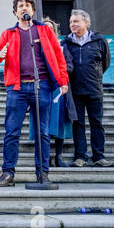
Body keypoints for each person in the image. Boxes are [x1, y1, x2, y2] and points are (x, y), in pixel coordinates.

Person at [0, 0, 69, 187]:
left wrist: (63, 80)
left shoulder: (44, 31)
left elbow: (58, 56)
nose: (24, 8)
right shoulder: (9, 33)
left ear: (32, 10)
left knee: (42, 131)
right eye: (20, 6)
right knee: (11, 131)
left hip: (41, 85)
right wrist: (0, 53)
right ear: (15, 12)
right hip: (16, 88)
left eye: (27, 6)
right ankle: (8, 173)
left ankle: (42, 173)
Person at [61, 9, 111, 167]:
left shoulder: (99, 40)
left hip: (94, 89)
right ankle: (80, 156)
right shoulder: (66, 42)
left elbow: (105, 62)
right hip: (75, 90)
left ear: (86, 23)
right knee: (78, 124)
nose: (72, 25)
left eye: (76, 21)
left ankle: (99, 156)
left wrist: (95, 76)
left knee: (97, 123)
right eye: (70, 22)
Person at [28, 17, 77, 167]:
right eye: (45, 27)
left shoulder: (62, 47)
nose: (47, 29)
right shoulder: (34, 46)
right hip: (41, 87)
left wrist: (56, 70)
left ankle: (58, 156)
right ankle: (45, 156)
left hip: (58, 90)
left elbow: (69, 66)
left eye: (50, 27)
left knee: (59, 122)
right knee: (44, 123)